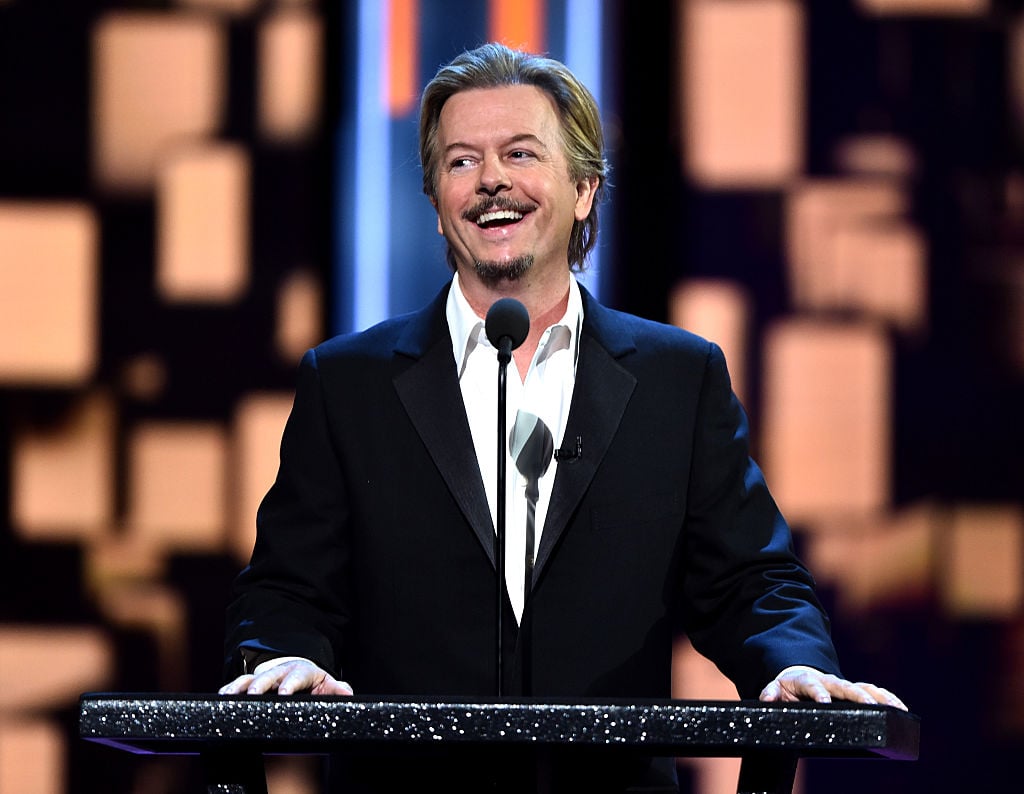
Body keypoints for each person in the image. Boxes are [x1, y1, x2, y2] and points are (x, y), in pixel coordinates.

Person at [220, 42, 905, 791]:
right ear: (435, 201)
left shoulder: (678, 378)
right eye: (460, 161)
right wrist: (283, 654)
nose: (490, 181)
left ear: (583, 187)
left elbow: (749, 579)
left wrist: (795, 664)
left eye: (519, 153)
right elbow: (288, 588)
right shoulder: (347, 383)